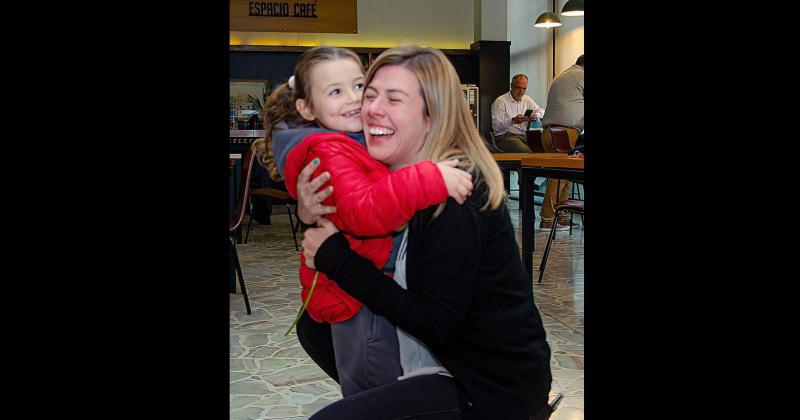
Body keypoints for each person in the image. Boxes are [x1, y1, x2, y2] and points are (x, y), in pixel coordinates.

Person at [297, 46, 553, 420]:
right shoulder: (398, 178)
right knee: (315, 328)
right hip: (440, 361)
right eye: (369, 95)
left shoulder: (459, 192)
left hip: (490, 389)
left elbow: (435, 324)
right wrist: (311, 214)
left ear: (432, 115)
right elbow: (339, 233)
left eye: (394, 99)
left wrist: (337, 258)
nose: (371, 109)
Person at [265, 46, 474, 397]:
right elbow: (362, 209)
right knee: (374, 392)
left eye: (359, 87)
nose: (355, 100)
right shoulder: (334, 148)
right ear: (306, 107)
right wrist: (430, 178)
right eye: (336, 91)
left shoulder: (349, 140)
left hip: (374, 294)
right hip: (360, 299)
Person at [539, 54, 584, 230]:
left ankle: (561, 215)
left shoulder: (564, 74)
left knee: (565, 175)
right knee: (559, 176)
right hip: (565, 132)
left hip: (549, 132)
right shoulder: (580, 76)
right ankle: (548, 218)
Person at [489, 73, 545, 153]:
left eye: (524, 89)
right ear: (511, 86)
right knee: (525, 152)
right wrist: (513, 121)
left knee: (545, 147)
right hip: (506, 136)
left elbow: (541, 111)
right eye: (518, 88)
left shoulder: (526, 99)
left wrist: (536, 115)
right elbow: (496, 126)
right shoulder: (500, 101)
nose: (521, 92)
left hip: (525, 135)